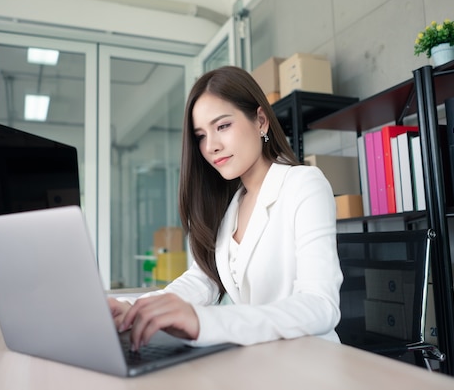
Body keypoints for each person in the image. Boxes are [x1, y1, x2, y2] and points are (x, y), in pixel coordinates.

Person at [109, 65, 343, 351]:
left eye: (222, 126)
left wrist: (206, 321)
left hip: (310, 362)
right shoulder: (231, 204)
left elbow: (321, 305)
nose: (211, 147)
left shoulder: (304, 184)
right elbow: (203, 280)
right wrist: (132, 309)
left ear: (260, 121)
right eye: (201, 136)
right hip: (256, 360)